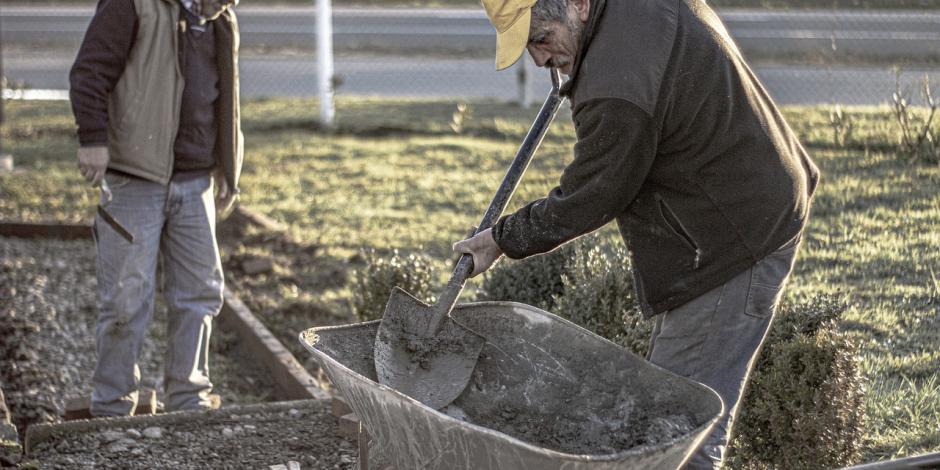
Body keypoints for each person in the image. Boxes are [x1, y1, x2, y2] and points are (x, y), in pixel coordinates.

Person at [454, 0, 820, 467]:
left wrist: (501, 239)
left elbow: (592, 194)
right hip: (742, 206)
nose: (539, 59)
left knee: (678, 433)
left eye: (541, 38)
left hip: (729, 242)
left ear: (578, 5)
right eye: (528, 47)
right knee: (676, 410)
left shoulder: (616, 83)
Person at [69, 0, 243, 416]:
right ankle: (112, 404)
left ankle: (189, 400)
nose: (231, 3)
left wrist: (227, 167)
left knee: (200, 294)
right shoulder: (132, 5)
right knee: (126, 300)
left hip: (196, 180)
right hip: (134, 178)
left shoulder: (222, 20)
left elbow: (224, 97)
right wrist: (92, 139)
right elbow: (89, 74)